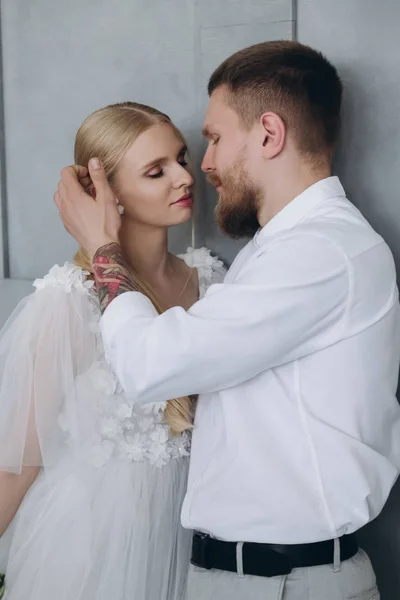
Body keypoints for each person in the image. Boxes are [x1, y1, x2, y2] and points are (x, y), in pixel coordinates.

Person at [55, 40, 400, 600]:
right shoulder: (275, 251)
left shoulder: (319, 253)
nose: (204, 165)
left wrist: (100, 246)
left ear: (269, 134)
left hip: (287, 584)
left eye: (213, 140)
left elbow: (152, 364)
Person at [0, 101, 225, 600]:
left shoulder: (209, 281)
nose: (185, 178)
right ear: (108, 195)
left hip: (191, 540)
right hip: (93, 549)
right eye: (155, 171)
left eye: (182, 158)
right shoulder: (70, 302)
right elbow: (19, 462)